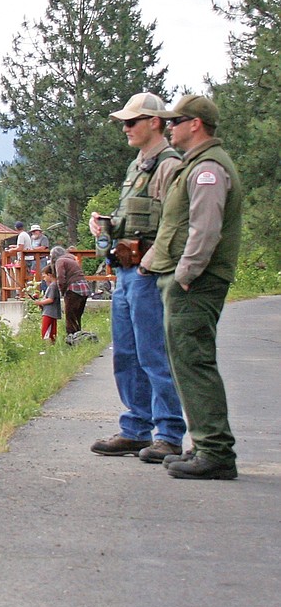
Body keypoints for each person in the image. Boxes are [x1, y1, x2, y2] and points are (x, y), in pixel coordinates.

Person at [142, 94, 243, 480]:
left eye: (176, 120)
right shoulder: (195, 165)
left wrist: (184, 274)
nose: (169, 126)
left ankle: (216, 451)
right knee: (186, 362)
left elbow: (205, 230)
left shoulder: (208, 170)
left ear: (195, 124)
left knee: (194, 361)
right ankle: (204, 444)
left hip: (196, 282)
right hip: (188, 279)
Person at [88, 92, 185, 462]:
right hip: (126, 273)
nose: (125, 128)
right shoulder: (136, 166)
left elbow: (175, 225)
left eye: (132, 122)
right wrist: (105, 225)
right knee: (126, 354)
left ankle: (170, 433)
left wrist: (150, 266)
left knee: (153, 354)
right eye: (124, 123)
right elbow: (134, 220)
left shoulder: (169, 167)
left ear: (155, 122)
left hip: (150, 274)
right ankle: (136, 429)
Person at [48, 246, 90, 338]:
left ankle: (71, 338)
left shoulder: (60, 261)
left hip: (73, 289)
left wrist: (62, 292)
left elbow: (61, 278)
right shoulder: (71, 259)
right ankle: (79, 336)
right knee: (77, 316)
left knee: (70, 316)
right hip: (84, 288)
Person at [34, 266, 60, 344]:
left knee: (45, 331)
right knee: (52, 332)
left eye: (45, 276)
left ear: (49, 275)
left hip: (49, 313)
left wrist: (40, 303)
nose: (44, 279)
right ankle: (51, 345)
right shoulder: (53, 285)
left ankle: (47, 346)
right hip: (50, 312)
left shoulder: (52, 286)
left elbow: (50, 299)